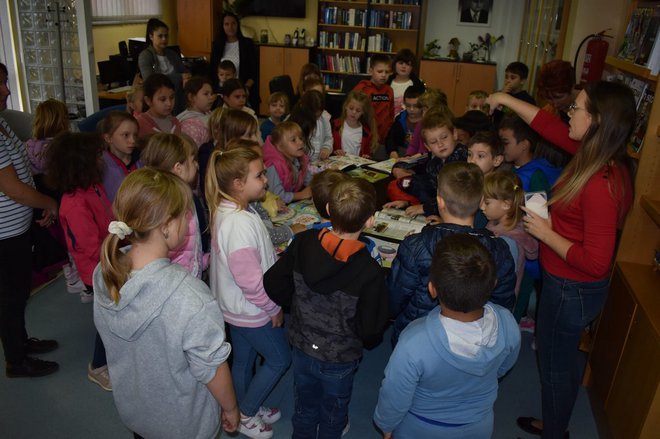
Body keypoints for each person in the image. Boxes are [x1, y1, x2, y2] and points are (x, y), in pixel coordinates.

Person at [487, 80, 636, 438]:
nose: (569, 113)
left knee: (555, 365)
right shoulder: (595, 152)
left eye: (577, 108)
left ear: (597, 120)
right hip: (568, 283)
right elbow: (547, 125)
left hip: (572, 287)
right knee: (562, 360)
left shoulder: (600, 181)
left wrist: (546, 232)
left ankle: (555, 431)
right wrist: (505, 98)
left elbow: (598, 262)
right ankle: (556, 423)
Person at [94, 168, 238, 438]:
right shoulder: (190, 297)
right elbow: (212, 369)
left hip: (137, 414)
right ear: (167, 226)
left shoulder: (105, 274)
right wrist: (229, 408)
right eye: (185, 214)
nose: (188, 220)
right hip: (184, 424)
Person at [264, 177, 390, 438]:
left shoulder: (302, 243)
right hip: (340, 357)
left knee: (304, 406)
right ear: (370, 220)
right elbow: (372, 328)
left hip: (301, 344)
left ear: (329, 209)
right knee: (333, 413)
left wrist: (297, 303)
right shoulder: (370, 271)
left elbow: (273, 282)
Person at [374, 233, 520, 438]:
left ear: (432, 289)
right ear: (493, 284)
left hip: (419, 428)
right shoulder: (507, 322)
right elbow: (503, 366)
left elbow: (395, 392)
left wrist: (385, 424)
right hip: (479, 426)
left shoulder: (415, 340)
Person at [205, 147, 290, 439]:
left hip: (235, 308)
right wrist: (272, 308)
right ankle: (247, 412)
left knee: (243, 359)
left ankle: (244, 404)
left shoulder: (232, 209)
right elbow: (250, 281)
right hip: (253, 309)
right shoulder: (238, 223)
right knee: (280, 358)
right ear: (239, 184)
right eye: (260, 175)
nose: (265, 180)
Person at [388, 162, 516, 344]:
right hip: (474, 339)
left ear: (439, 201)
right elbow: (503, 302)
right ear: (481, 201)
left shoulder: (414, 246)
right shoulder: (499, 249)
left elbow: (395, 296)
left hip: (419, 335)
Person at [1, 61, 60, 378]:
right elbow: (12, 188)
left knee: (20, 290)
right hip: (4, 235)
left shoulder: (3, 123)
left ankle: (21, 342)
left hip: (16, 230)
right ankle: (16, 360)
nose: (7, 90)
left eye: (6, 81)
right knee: (10, 297)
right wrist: (48, 201)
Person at [44, 132, 113, 389]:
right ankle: (98, 366)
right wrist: (121, 245)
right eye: (97, 155)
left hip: (109, 261)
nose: (102, 159)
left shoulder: (94, 186)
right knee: (107, 320)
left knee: (113, 314)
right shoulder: (73, 204)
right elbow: (90, 247)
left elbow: (106, 218)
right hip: (97, 270)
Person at [26, 99, 81, 294]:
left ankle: (70, 276)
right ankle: (77, 276)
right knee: (71, 239)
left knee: (59, 241)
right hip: (60, 197)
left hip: (40, 201)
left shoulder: (29, 146)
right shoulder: (62, 148)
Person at [141, 133, 207, 278]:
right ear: (178, 168)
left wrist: (203, 260)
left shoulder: (187, 197)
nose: (197, 164)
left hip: (189, 276)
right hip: (179, 283)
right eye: (193, 159)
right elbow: (171, 255)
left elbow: (191, 246)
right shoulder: (169, 207)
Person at [385, 111, 468, 218]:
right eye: (433, 142)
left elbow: (454, 198)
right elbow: (429, 194)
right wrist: (408, 204)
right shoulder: (434, 164)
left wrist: (425, 208)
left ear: (454, 134)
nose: (440, 144)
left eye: (444, 137)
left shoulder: (461, 157)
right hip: (440, 210)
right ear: (428, 147)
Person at [482, 170, 538, 295]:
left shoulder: (509, 242)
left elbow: (501, 280)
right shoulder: (494, 224)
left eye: (486, 203)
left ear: (506, 205)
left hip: (498, 302)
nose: (481, 207)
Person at [210, 12, 259, 110]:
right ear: (222, 26)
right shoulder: (217, 44)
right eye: (226, 24)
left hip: (241, 90)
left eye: (233, 23)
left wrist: (246, 88)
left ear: (237, 25)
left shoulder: (247, 44)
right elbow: (212, 70)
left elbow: (254, 71)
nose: (230, 27)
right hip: (221, 91)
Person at [138, 18, 186, 113]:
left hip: (177, 96)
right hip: (159, 99)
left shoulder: (172, 53)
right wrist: (179, 77)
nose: (164, 39)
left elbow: (184, 70)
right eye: (160, 36)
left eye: (166, 36)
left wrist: (186, 77)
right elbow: (151, 81)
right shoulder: (145, 56)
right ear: (151, 36)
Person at [353, 54, 393, 154]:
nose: (384, 75)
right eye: (380, 71)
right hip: (363, 138)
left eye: (387, 72)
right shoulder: (362, 88)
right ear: (371, 71)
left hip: (383, 139)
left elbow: (391, 113)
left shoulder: (389, 90)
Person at [263, 121, 312, 203]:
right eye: (293, 140)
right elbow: (277, 196)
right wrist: (302, 194)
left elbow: (309, 180)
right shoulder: (273, 166)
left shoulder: (300, 159)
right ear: (279, 146)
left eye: (301, 138)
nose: (300, 142)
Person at [99, 111, 142, 202]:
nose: (133, 140)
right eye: (126, 135)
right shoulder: (100, 166)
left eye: (135, 135)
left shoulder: (143, 160)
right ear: (108, 138)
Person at [405, 88, 452, 156]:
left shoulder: (446, 125)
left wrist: (420, 155)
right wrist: (408, 156)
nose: (425, 113)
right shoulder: (420, 124)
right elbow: (413, 145)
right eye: (423, 110)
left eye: (428, 110)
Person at [332, 90, 378, 158]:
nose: (354, 112)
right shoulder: (334, 125)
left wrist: (366, 157)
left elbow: (367, 155)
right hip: (336, 165)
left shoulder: (366, 133)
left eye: (358, 110)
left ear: (363, 112)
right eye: (351, 108)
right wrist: (334, 151)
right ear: (346, 106)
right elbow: (327, 146)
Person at [385, 85, 424, 158]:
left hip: (421, 156)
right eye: (408, 106)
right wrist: (392, 151)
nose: (411, 109)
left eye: (415, 106)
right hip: (402, 155)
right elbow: (390, 138)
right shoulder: (400, 119)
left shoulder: (428, 121)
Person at [177, 76, 216, 147]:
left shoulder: (209, 114)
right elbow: (191, 152)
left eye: (211, 94)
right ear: (191, 97)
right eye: (206, 94)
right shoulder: (188, 126)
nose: (211, 97)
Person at [294, 89, 332, 161]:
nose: (316, 119)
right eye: (313, 117)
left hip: (319, 163)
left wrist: (326, 148)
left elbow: (328, 137)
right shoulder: (295, 122)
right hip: (301, 164)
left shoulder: (324, 118)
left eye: (319, 116)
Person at [387, 48, 425, 118]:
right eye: (400, 63)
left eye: (408, 64)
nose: (403, 66)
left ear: (412, 67)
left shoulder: (418, 85)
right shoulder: (386, 82)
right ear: (395, 64)